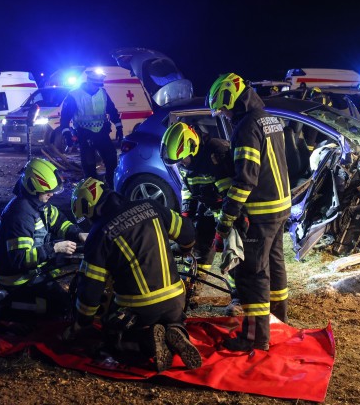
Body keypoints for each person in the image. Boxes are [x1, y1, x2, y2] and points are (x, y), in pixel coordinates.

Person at [65, 177, 202, 372]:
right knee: (171, 316)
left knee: (110, 337)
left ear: (89, 208)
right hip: (175, 299)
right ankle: (175, 328)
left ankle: (146, 342)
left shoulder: (98, 234)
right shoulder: (151, 205)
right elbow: (187, 233)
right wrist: (184, 248)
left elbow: (90, 292)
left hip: (138, 308)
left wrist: (82, 324)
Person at [208, 73, 291, 352]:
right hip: (280, 207)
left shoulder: (246, 126)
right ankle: (278, 320)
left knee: (252, 273)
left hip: (260, 210)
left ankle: (255, 338)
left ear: (232, 99)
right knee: (275, 265)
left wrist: (227, 216)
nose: (225, 114)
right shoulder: (269, 118)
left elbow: (245, 179)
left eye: (225, 108)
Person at [0, 158, 87, 326]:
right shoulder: (20, 215)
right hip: (17, 278)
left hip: (32, 270)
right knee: (60, 308)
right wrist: (55, 248)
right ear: (33, 188)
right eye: (47, 191)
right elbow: (19, 260)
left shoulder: (37, 203)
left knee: (64, 301)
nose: (51, 194)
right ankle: (5, 305)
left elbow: (59, 222)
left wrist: (79, 235)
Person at [159, 121, 242, 314]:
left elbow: (230, 193)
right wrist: (186, 214)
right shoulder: (185, 161)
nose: (181, 164)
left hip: (230, 210)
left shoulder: (216, 153)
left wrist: (225, 225)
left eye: (183, 159)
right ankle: (192, 289)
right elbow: (188, 188)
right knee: (199, 250)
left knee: (232, 255)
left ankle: (239, 298)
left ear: (193, 147)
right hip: (207, 209)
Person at [60, 70, 123, 186]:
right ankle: (93, 192)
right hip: (84, 135)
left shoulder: (103, 93)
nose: (97, 88)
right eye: (95, 85)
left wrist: (119, 127)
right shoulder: (74, 95)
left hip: (102, 134)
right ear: (88, 82)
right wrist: (67, 134)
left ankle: (110, 186)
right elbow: (64, 118)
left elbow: (112, 111)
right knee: (89, 166)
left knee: (112, 160)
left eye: (99, 85)